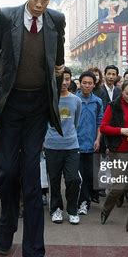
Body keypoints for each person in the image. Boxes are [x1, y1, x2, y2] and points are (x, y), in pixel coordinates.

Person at [0, 0, 65, 257]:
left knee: (32, 179)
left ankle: (35, 253)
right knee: (8, 172)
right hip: (11, 105)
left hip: (37, 109)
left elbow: (56, 61)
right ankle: (7, 225)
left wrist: (57, 75)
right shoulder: (6, 17)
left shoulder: (57, 20)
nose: (41, 4)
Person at [100, 80, 128, 236]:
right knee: (118, 186)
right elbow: (104, 127)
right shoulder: (113, 106)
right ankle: (106, 209)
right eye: (127, 93)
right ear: (122, 92)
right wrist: (122, 131)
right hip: (118, 151)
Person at [44, 67, 82, 225]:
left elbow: (76, 122)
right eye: (61, 79)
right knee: (54, 179)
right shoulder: (48, 99)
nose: (64, 82)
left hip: (71, 145)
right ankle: (56, 209)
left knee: (73, 179)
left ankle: (72, 209)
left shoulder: (76, 100)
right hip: (52, 145)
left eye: (67, 79)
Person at [76, 71, 103, 215]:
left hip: (92, 145)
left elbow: (100, 122)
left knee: (89, 175)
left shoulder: (97, 102)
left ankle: (85, 200)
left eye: (90, 83)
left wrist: (98, 139)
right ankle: (79, 201)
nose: (87, 86)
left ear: (94, 85)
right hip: (75, 145)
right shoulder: (74, 99)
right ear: (80, 84)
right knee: (77, 176)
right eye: (84, 83)